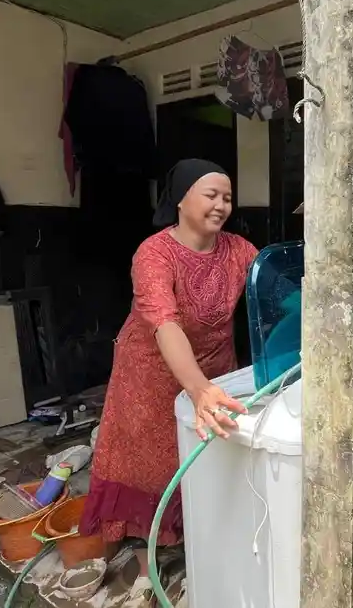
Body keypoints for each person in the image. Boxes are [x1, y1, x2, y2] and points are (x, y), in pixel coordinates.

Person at [80, 159, 258, 602]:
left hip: (215, 369)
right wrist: (196, 387)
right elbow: (164, 323)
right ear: (180, 199)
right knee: (145, 465)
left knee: (202, 457)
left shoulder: (240, 251)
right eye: (211, 195)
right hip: (150, 372)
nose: (221, 205)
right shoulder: (154, 253)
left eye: (228, 197)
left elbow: (273, 287)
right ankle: (145, 561)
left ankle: (196, 543)